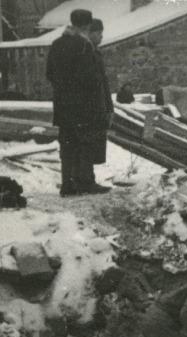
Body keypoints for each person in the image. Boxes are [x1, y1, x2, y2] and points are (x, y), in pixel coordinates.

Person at [46, 9, 111, 197]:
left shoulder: (57, 44)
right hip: (83, 106)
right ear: (88, 25)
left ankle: (67, 184)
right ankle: (86, 182)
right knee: (85, 143)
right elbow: (89, 78)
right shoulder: (84, 45)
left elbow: (49, 74)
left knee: (67, 146)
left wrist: (63, 90)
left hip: (62, 105)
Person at [88, 19, 113, 171]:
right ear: (89, 33)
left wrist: (109, 107)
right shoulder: (86, 53)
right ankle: (85, 179)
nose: (101, 37)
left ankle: (88, 178)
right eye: (98, 33)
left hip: (99, 105)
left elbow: (104, 83)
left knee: (94, 144)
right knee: (88, 145)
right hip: (92, 107)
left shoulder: (96, 53)